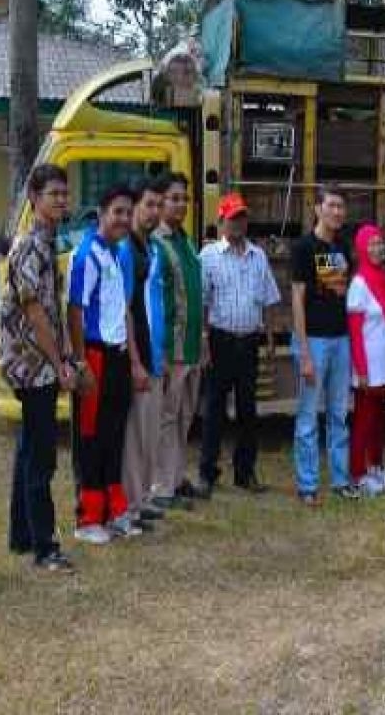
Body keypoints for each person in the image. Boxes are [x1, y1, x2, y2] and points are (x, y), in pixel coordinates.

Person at [1, 164, 86, 571]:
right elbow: (34, 313)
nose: (62, 200)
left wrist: (66, 355)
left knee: (28, 450)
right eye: (54, 193)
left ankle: (22, 535)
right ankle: (45, 549)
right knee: (42, 458)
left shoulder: (47, 242)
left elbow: (53, 310)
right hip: (33, 367)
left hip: (44, 364)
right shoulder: (29, 246)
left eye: (65, 194)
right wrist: (59, 364)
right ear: (34, 198)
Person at [198, 192, 282, 498]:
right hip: (220, 341)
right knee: (214, 411)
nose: (238, 224)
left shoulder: (257, 256)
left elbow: (269, 298)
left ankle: (245, 473)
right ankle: (208, 473)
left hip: (249, 342)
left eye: (242, 218)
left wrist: (270, 339)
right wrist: (204, 341)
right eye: (232, 218)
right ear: (220, 221)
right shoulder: (207, 257)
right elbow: (202, 305)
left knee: (248, 411)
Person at [67, 185, 137, 545]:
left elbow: (119, 310)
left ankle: (113, 511)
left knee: (113, 435)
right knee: (90, 437)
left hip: (117, 356)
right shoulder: (87, 255)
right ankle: (87, 518)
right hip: (93, 354)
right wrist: (81, 363)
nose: (124, 219)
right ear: (102, 213)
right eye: (117, 212)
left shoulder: (115, 254)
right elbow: (75, 310)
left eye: (128, 213)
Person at [290, 184, 354, 505]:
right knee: (308, 415)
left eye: (341, 206)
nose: (337, 212)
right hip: (312, 341)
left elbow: (342, 294)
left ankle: (341, 480)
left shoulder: (343, 247)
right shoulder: (303, 248)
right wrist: (303, 352)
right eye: (331, 206)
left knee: (339, 413)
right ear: (317, 209)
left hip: (341, 340)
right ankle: (307, 485)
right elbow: (298, 301)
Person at [117, 178, 169, 532]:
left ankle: (139, 501)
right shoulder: (126, 251)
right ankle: (126, 507)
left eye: (158, 205)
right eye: (148, 204)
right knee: (133, 439)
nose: (154, 212)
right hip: (137, 359)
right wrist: (135, 362)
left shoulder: (148, 248)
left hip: (154, 355)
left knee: (149, 435)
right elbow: (125, 310)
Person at [152, 172, 203, 508]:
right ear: (158, 202)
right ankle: (161, 487)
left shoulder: (185, 241)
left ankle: (176, 476)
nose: (181, 204)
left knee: (184, 417)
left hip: (193, 349)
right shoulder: (156, 244)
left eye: (184, 198)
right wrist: (162, 353)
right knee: (165, 419)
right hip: (171, 349)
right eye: (174, 198)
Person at [346, 223, 385, 497]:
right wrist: (361, 370)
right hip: (369, 368)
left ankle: (375, 466)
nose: (377, 248)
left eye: (380, 243)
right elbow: (355, 333)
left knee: (380, 420)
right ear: (362, 249)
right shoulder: (359, 283)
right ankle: (357, 472)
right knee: (363, 422)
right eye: (372, 244)